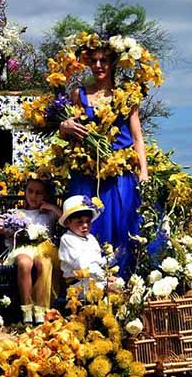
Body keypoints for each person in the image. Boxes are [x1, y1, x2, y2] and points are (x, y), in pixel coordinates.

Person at [59, 44, 148, 279]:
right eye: (94, 61)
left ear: (113, 64)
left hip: (119, 174)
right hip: (87, 173)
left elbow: (137, 137)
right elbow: (66, 130)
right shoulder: (79, 93)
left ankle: (123, 285)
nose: (98, 66)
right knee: (87, 226)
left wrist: (144, 171)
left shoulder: (128, 95)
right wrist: (64, 126)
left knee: (122, 227)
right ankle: (90, 288)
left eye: (104, 61)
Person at [0, 178, 63, 323]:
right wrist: (8, 229)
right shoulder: (17, 213)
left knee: (43, 263)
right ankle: (26, 309)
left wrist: (52, 207)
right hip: (22, 248)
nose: (33, 196)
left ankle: (40, 310)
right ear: (25, 192)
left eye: (39, 193)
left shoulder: (49, 214)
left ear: (45, 195)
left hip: (44, 249)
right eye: (30, 191)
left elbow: (67, 220)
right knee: (24, 262)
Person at [58, 195, 110, 292]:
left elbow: (97, 261)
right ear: (68, 222)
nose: (85, 225)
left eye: (88, 222)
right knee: (108, 289)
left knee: (118, 285)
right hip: (77, 284)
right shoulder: (67, 239)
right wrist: (104, 277)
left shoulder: (91, 238)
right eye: (79, 222)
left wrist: (110, 260)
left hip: (94, 278)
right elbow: (82, 265)